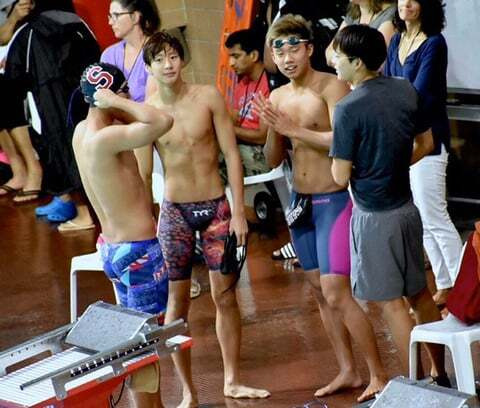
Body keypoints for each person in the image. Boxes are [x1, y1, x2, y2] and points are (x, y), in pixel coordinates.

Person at [253, 14, 387, 402]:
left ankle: (378, 373)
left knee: (336, 291)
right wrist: (272, 128)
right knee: (318, 291)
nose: (286, 58)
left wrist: (293, 130)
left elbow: (345, 141)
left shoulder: (332, 87)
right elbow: (273, 159)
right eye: (279, 50)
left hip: (334, 199)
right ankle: (348, 370)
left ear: (310, 49)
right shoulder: (278, 97)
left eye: (293, 48)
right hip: (300, 201)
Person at [141, 31, 270, 407]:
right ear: (149, 68)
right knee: (176, 306)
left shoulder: (208, 97)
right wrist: (147, 222)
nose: (168, 65)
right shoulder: (149, 113)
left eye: (173, 57)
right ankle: (188, 391)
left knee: (225, 297)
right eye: (159, 59)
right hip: (175, 213)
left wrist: (240, 212)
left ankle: (232, 380)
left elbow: (231, 154)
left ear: (182, 60)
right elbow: (143, 173)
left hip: (216, 208)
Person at [329, 24, 449, 385]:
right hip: (407, 210)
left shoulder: (347, 108)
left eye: (339, 56)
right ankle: (439, 373)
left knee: (392, 304)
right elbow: (426, 144)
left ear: (357, 62)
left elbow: (339, 176)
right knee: (421, 295)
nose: (334, 61)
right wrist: (394, 165)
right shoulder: (404, 90)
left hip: (375, 217)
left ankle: (416, 384)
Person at [75, 62, 173, 408]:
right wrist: (118, 102)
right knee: (144, 348)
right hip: (138, 253)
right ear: (107, 96)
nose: (131, 97)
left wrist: (113, 103)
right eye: (125, 91)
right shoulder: (107, 138)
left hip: (112, 250)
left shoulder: (81, 133)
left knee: (134, 344)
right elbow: (162, 122)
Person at [384, 0, 462, 308]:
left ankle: (464, 287)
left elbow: (419, 92)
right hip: (403, 136)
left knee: (434, 215)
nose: (406, 3)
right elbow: (389, 83)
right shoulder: (396, 40)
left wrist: (390, 105)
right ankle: (444, 284)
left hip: (429, 138)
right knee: (421, 217)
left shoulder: (434, 42)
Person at [5, 0, 100, 225]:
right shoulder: (80, 25)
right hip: (85, 105)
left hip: (49, 107)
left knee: (62, 153)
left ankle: (83, 213)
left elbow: (13, 79)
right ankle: (69, 200)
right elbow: (97, 59)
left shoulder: (29, 33)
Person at [0, 0, 43, 201]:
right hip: (9, 56)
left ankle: (34, 169)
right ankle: (19, 171)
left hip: (34, 55)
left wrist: (16, 16)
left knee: (6, 91)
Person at [223, 28, 270, 179]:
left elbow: (263, 137)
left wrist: (226, 129)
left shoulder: (270, 85)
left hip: (261, 153)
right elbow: (233, 119)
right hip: (241, 146)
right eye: (230, 57)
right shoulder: (242, 83)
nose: (231, 63)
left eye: (236, 56)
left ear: (254, 55)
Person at [325, 0, 396, 67]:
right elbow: (329, 52)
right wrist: (345, 62)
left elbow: (372, 61)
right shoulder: (353, 13)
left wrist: (341, 60)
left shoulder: (390, 13)